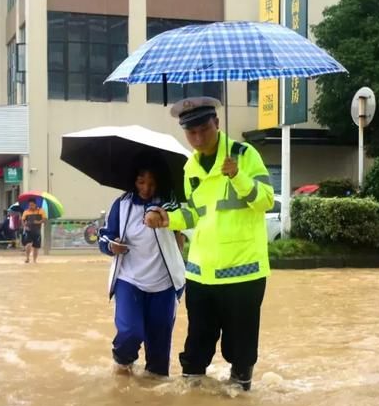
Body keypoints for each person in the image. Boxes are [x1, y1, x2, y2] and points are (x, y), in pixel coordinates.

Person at [144, 97, 274, 391]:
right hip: (202, 271)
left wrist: (238, 176)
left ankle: (239, 398)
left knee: (240, 349)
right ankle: (192, 402)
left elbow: (265, 201)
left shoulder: (244, 154)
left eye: (204, 129)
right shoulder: (190, 167)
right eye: (191, 133)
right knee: (196, 348)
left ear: (217, 123)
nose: (199, 138)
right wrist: (166, 218)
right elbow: (193, 214)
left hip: (243, 270)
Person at [98, 161, 186, 377]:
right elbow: (104, 236)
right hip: (130, 280)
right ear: (133, 181)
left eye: (152, 183)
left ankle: (152, 403)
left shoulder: (169, 201)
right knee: (130, 332)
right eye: (141, 182)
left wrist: (159, 213)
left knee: (159, 351)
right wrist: (112, 245)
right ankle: (122, 365)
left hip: (164, 284)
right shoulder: (122, 204)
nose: (146, 188)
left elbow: (179, 219)